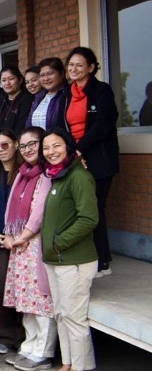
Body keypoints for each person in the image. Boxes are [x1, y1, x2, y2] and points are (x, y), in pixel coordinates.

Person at [39, 128, 99, 371]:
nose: (51, 152)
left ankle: (80, 370)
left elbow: (88, 218)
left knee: (74, 316)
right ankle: (67, 364)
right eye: (46, 148)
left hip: (75, 260)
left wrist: (59, 242)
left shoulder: (79, 176)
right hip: (57, 259)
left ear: (68, 146)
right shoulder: (59, 176)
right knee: (61, 314)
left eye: (56, 146)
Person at [1, 127, 56, 371]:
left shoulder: (47, 174)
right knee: (25, 300)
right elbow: (10, 208)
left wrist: (22, 236)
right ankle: (29, 345)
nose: (28, 149)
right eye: (23, 146)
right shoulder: (22, 173)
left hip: (36, 244)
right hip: (20, 245)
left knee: (41, 300)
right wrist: (9, 235)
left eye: (33, 143)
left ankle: (43, 351)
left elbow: (40, 211)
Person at [64, 46, 119, 277]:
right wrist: (70, 150)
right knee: (77, 208)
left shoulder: (101, 90)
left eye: (79, 65)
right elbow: (64, 124)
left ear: (91, 67)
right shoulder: (67, 92)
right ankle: (86, 256)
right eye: (71, 65)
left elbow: (104, 124)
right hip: (74, 156)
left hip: (99, 158)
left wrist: (80, 148)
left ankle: (102, 261)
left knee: (93, 208)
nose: (74, 69)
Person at [0, 129, 25, 352]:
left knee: (23, 290)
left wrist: (20, 235)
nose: (0, 150)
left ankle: (24, 338)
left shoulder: (26, 172)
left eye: (5, 145)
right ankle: (7, 336)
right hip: (0, 241)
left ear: (16, 144)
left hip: (24, 240)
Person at [0, 65, 33, 134]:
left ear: (20, 80)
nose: (7, 83)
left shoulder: (27, 100)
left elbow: (22, 127)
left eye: (11, 79)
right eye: (3, 80)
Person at [26, 57, 67, 130]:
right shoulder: (39, 97)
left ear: (62, 73)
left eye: (50, 73)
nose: (46, 78)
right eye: (42, 75)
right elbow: (29, 124)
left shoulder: (68, 94)